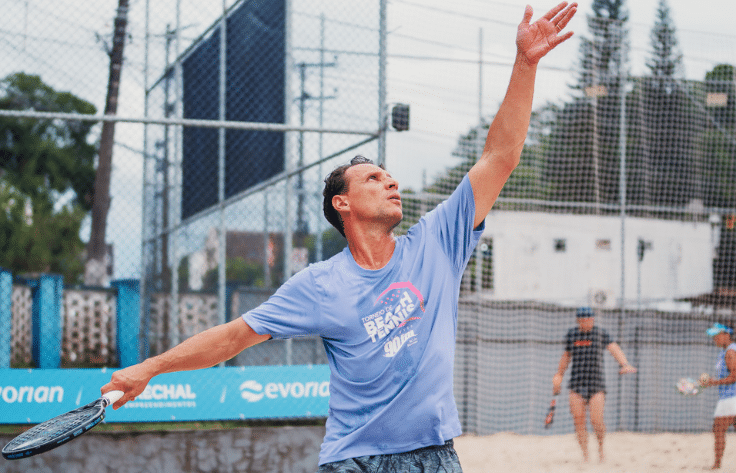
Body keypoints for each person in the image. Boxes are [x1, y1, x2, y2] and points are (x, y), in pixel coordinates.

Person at [102, 2, 578, 471]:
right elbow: (232, 338)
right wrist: (150, 368)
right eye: (373, 179)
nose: (391, 182)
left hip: (434, 455)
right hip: (355, 460)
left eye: (390, 176)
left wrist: (525, 63)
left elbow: (499, 155)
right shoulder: (320, 284)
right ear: (341, 204)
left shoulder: (436, 243)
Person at [551, 307, 637, 464]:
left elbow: (614, 348)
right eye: (584, 320)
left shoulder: (600, 333)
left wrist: (624, 364)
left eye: (590, 319)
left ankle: (601, 449)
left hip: (596, 383)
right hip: (576, 383)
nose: (588, 322)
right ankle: (585, 455)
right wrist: (558, 376)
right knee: (578, 420)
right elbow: (566, 357)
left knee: (596, 420)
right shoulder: (572, 335)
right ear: (579, 321)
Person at [700, 322, 736, 470]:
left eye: (717, 335)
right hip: (729, 397)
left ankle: (717, 465)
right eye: (713, 336)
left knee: (718, 429)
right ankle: (717, 463)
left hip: (731, 397)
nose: (714, 338)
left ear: (727, 335)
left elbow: (734, 377)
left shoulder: (730, 352)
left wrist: (713, 382)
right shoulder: (725, 351)